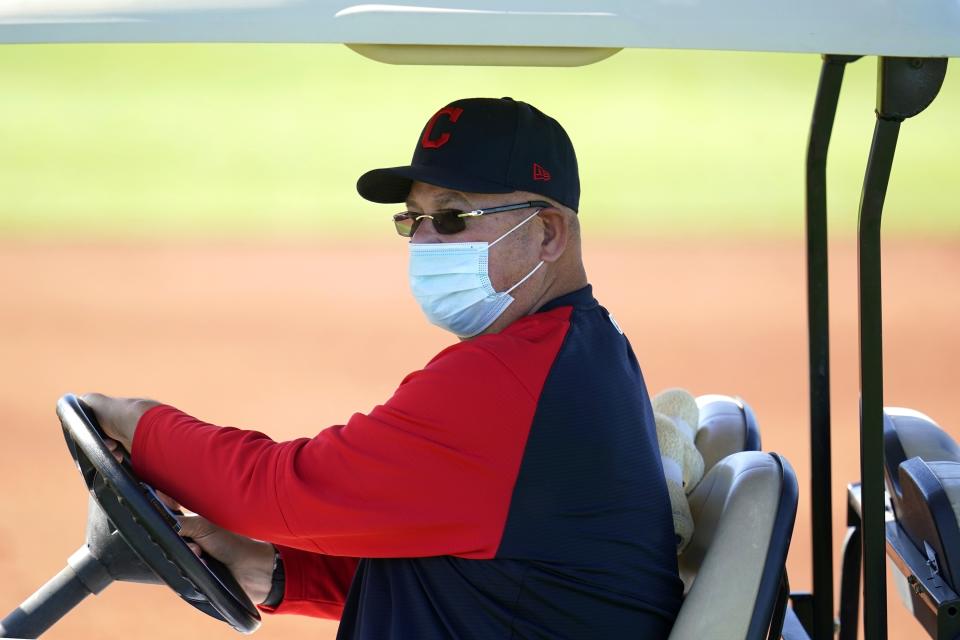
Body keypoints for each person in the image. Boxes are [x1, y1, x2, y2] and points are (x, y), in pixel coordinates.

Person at [83, 97, 683, 639]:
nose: (423, 242)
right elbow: (487, 571)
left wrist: (137, 423)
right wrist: (276, 572)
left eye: (451, 218)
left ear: (548, 233)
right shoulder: (583, 346)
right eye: (413, 219)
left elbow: (281, 491)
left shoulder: (508, 379)